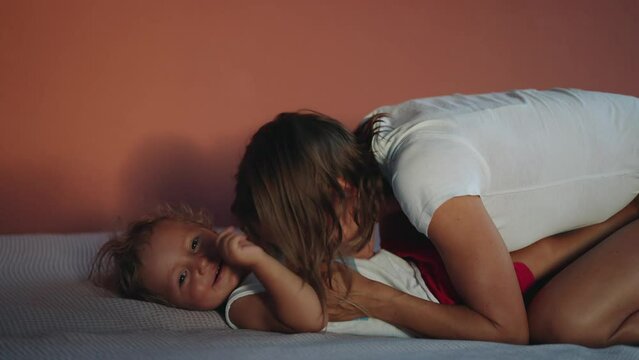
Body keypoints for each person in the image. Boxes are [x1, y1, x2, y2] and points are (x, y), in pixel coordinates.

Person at [231, 88, 639, 346]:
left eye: (306, 237)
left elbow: (508, 331)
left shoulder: (423, 177)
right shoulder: (375, 148)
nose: (313, 256)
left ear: (342, 192)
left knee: (563, 325)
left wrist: (378, 298)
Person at [89, 203, 622, 337]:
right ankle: (621, 219)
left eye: (195, 244)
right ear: (176, 306)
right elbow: (306, 316)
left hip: (417, 271)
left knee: (547, 248)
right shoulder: (240, 306)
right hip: (438, 301)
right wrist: (256, 261)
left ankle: (619, 214)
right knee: (549, 262)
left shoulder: (265, 250)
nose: (201, 265)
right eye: (183, 278)